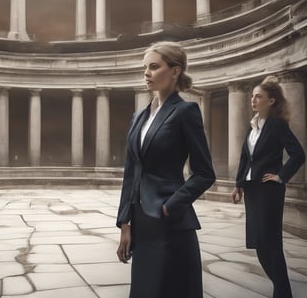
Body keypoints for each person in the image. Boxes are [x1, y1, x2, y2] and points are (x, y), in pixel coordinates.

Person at [116, 41, 215, 298]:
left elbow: (205, 173)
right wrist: (125, 224)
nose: (146, 73)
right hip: (141, 225)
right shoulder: (139, 116)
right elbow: (131, 173)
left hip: (171, 225)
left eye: (154, 66)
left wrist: (171, 205)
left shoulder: (186, 111)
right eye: (144, 68)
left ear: (175, 70)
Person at [232, 75, 305, 298]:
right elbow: (246, 158)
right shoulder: (252, 126)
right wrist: (238, 185)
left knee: (270, 243)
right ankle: (282, 291)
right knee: (258, 242)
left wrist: (280, 176)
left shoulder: (277, 125)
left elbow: (298, 154)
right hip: (253, 189)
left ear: (271, 101)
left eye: (258, 96)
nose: (253, 100)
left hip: (269, 190)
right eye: (252, 96)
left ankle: (282, 293)